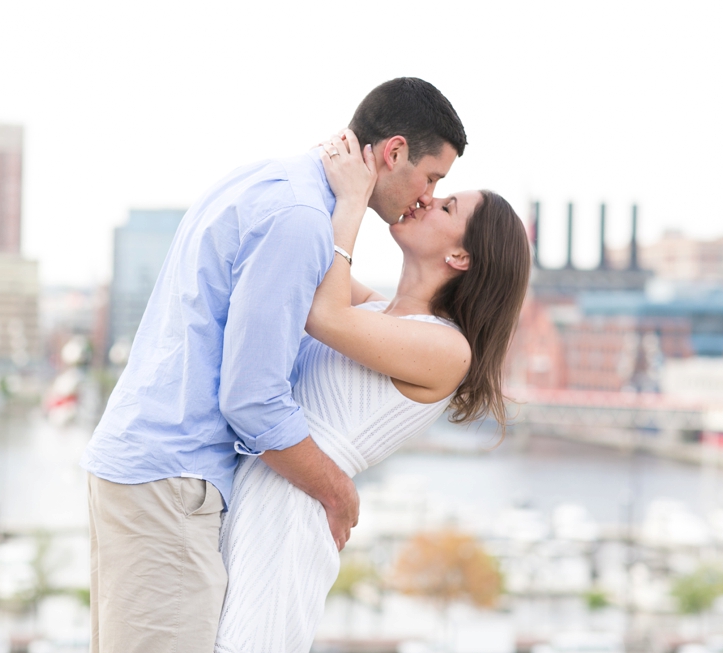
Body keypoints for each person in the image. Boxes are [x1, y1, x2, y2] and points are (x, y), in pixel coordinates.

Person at [80, 78, 467, 653]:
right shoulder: (299, 221)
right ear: (393, 153)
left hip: (163, 470)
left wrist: (351, 207)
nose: (426, 195)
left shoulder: (277, 183)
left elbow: (353, 308)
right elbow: (251, 398)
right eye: (432, 177)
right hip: (171, 479)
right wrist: (338, 493)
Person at [214, 131, 532, 653]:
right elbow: (324, 279)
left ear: (460, 256)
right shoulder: (380, 313)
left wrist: (354, 201)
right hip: (268, 484)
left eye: (447, 205)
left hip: (292, 509)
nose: (427, 198)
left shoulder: (447, 350)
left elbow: (322, 312)